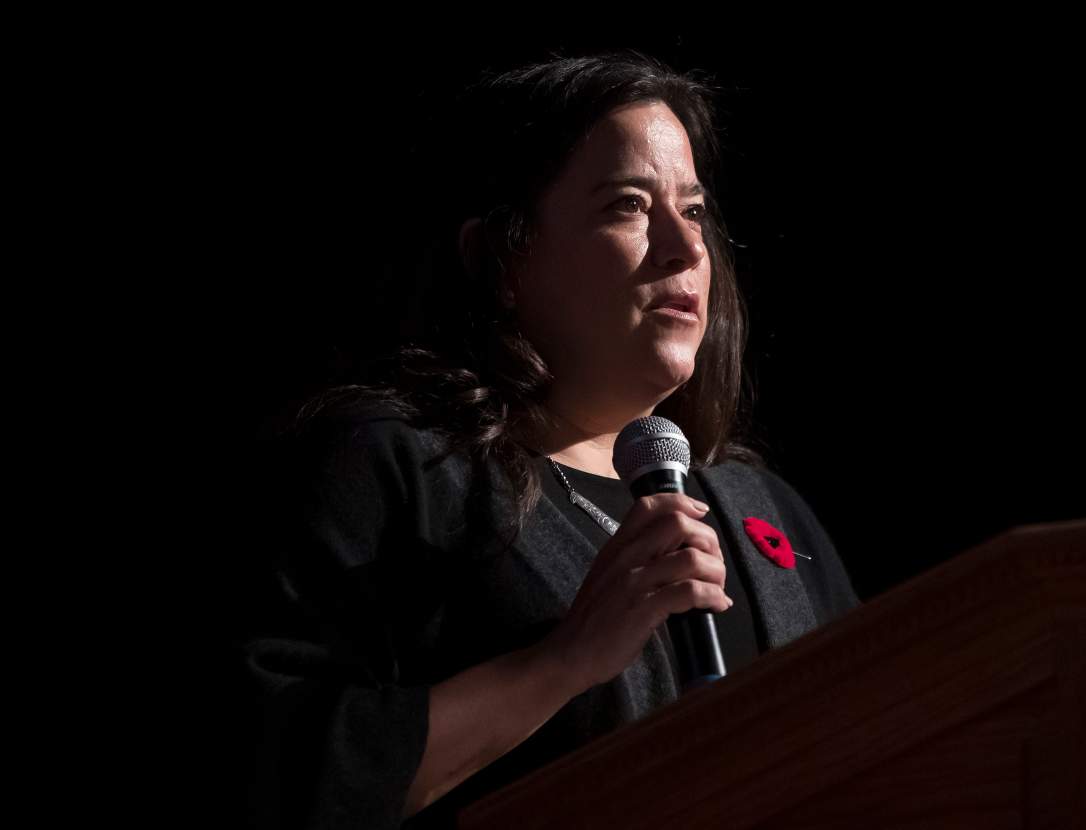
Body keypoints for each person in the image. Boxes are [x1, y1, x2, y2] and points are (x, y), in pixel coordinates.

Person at [239, 49, 860, 829]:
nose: (685, 247)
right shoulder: (393, 468)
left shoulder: (762, 508)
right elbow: (280, 776)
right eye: (629, 206)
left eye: (694, 210)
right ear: (501, 258)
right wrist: (564, 662)